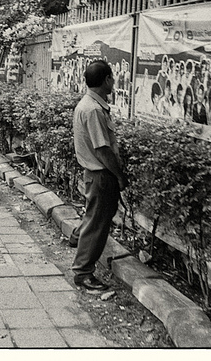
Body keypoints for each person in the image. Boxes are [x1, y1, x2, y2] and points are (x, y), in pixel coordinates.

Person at [69, 60, 128, 291]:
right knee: (97, 224)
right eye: (112, 77)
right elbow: (103, 149)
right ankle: (83, 272)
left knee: (93, 217)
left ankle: (77, 237)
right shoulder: (93, 109)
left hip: (94, 175)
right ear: (106, 80)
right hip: (101, 176)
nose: (114, 81)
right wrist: (120, 176)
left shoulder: (88, 104)